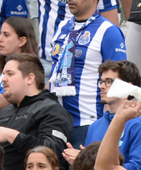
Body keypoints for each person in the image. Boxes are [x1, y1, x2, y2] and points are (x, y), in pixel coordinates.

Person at [0, 53, 73, 170]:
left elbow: (52, 149)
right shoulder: (1, 114)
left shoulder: (52, 110)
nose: (3, 79)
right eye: (3, 74)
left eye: (10, 74)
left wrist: (12, 136)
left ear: (30, 78)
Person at [46, 0, 127, 148]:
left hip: (88, 122)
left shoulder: (109, 31)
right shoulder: (63, 26)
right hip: (55, 122)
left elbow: (119, 81)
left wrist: (107, 124)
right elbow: (54, 73)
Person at [78, 60, 141, 170]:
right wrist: (79, 164)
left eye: (109, 81)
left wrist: (93, 166)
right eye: (101, 81)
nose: (102, 86)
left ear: (129, 87)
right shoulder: (95, 126)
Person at [35, 0, 119, 74]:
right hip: (47, 58)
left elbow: (111, 31)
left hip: (87, 64)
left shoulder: (110, 31)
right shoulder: (62, 26)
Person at [0, 18, 39, 114]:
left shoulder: (30, 72)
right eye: (1, 34)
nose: (0, 39)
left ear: (22, 41)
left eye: (6, 35)